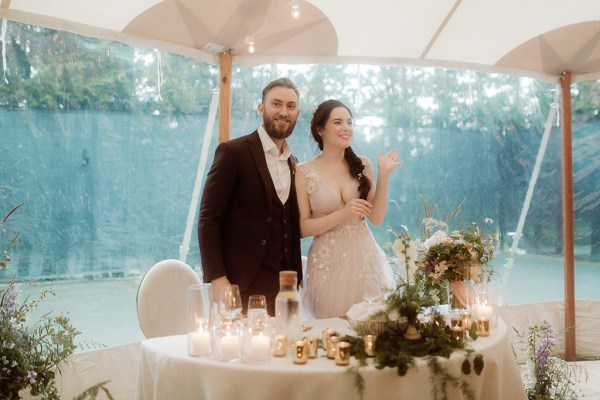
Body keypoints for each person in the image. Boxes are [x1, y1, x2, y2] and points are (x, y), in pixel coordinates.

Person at [198, 77, 303, 316]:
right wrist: (217, 278)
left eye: (290, 106)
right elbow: (208, 219)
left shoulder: (295, 164)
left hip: (287, 287)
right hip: (241, 285)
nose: (283, 112)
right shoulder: (233, 152)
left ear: (297, 112)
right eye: (276, 104)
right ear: (261, 108)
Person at [295, 99, 403, 319]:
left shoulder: (363, 165)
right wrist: (343, 214)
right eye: (338, 122)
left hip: (365, 259)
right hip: (327, 265)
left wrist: (383, 175)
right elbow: (302, 228)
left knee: (371, 325)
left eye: (349, 122)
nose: (346, 128)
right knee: (332, 330)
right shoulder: (304, 172)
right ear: (320, 129)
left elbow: (377, 218)